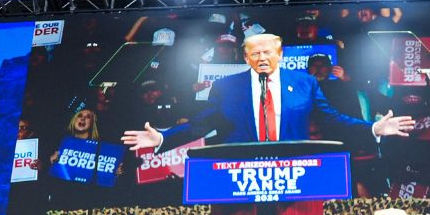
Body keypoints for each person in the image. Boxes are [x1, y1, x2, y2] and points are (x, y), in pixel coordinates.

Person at [122, 33, 414, 151]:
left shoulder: (304, 83)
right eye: (254, 53)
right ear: (245, 58)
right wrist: (163, 137)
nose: (261, 58)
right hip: (240, 172)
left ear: (280, 54)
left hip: (293, 169)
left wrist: (373, 127)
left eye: (267, 52)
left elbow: (333, 120)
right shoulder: (226, 86)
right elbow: (203, 123)